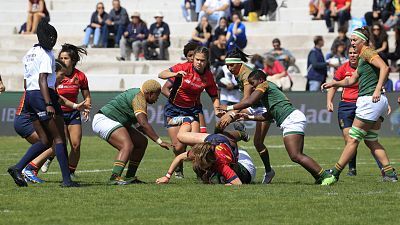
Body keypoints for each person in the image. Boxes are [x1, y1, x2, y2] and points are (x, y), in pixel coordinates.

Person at [218, 70, 336, 185]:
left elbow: (249, 101)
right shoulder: (267, 94)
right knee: (297, 155)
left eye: (253, 84)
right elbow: (268, 115)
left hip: (291, 119)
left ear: (260, 80)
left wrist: (229, 108)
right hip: (291, 119)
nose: (252, 88)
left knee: (296, 155)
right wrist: (248, 117)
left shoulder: (265, 84)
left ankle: (326, 176)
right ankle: (319, 177)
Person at [321, 27, 398, 183]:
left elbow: (385, 67)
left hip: (371, 100)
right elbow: (351, 80)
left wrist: (377, 90)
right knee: (371, 140)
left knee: (352, 139)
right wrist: (335, 83)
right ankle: (390, 174)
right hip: (377, 101)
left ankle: (334, 173)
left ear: (363, 40)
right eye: (351, 40)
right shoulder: (363, 57)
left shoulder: (368, 52)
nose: (352, 43)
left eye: (355, 40)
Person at [7, 20, 79, 187]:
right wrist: (48, 103)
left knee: (45, 140)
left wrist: (35, 100)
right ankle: (67, 181)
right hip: (44, 95)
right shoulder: (46, 54)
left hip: (30, 96)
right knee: (59, 138)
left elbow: (27, 82)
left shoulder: (29, 53)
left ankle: (18, 168)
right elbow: (43, 79)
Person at [15, 60, 88, 183]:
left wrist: (76, 106)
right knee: (55, 141)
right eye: (62, 75)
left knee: (53, 141)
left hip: (27, 119)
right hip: (25, 120)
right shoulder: (41, 89)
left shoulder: (48, 88)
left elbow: (60, 99)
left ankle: (22, 168)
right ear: (53, 73)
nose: (64, 78)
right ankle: (28, 169)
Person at [92, 80, 172, 185]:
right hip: (105, 120)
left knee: (141, 142)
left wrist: (150, 135)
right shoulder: (139, 98)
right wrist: (159, 141)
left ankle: (130, 176)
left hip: (115, 121)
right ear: (150, 93)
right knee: (127, 145)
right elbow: (143, 124)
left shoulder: (138, 95)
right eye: (156, 95)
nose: (157, 99)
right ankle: (114, 177)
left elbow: (139, 125)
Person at [158, 46, 221, 178]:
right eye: (197, 59)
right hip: (173, 110)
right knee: (178, 147)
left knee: (197, 146)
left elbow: (214, 95)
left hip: (192, 112)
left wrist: (216, 109)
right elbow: (161, 74)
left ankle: (201, 172)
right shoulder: (184, 67)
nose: (199, 62)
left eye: (202, 60)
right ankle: (178, 168)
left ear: (206, 61)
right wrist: (174, 74)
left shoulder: (208, 76)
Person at [218, 48, 275, 184]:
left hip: (263, 108)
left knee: (258, 143)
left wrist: (231, 112)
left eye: (231, 65)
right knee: (223, 119)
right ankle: (241, 134)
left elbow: (247, 100)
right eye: (227, 66)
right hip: (253, 107)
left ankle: (269, 171)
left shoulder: (246, 75)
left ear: (239, 63)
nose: (229, 68)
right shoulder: (239, 72)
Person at [326, 46, 383, 176]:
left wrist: (381, 98)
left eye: (355, 53)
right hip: (346, 106)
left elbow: (377, 85)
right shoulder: (343, 68)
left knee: (370, 140)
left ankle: (384, 169)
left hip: (363, 105)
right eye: (350, 53)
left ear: (360, 55)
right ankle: (352, 169)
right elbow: (334, 85)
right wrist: (329, 101)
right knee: (348, 138)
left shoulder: (367, 67)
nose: (352, 55)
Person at [156, 118, 255, 185]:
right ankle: (187, 120)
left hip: (246, 166)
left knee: (217, 180)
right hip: (218, 143)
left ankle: (241, 134)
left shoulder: (221, 164)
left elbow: (238, 183)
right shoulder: (201, 151)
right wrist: (167, 177)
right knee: (181, 137)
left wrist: (228, 184)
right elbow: (179, 157)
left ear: (209, 161)